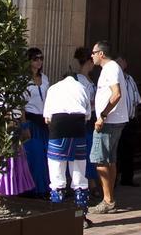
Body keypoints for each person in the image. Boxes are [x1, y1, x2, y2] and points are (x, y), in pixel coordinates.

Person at [43, 48, 94, 226]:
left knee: (57, 174)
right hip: (78, 129)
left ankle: (57, 217)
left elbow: (47, 116)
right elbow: (88, 114)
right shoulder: (82, 87)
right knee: (79, 174)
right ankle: (80, 218)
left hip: (57, 129)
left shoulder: (53, 88)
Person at [89, 41, 128, 214]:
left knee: (101, 160)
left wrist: (102, 115)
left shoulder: (111, 68)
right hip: (115, 120)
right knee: (110, 160)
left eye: (94, 52)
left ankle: (108, 200)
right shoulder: (111, 68)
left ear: (101, 54)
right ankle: (109, 197)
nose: (92, 56)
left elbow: (116, 94)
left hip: (109, 121)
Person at [21, 47, 51, 196]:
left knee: (45, 155)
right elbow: (20, 105)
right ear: (29, 61)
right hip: (30, 120)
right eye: (35, 59)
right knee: (34, 154)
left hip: (43, 120)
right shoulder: (23, 80)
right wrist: (24, 125)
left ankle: (45, 187)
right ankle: (33, 189)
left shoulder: (45, 78)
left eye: (41, 58)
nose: (39, 61)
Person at [114, 56, 141, 188]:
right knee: (115, 152)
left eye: (122, 62)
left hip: (130, 120)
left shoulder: (130, 79)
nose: (120, 65)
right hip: (117, 120)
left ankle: (127, 178)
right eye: (117, 63)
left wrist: (135, 116)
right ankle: (112, 181)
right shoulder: (113, 79)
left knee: (129, 151)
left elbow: (136, 98)